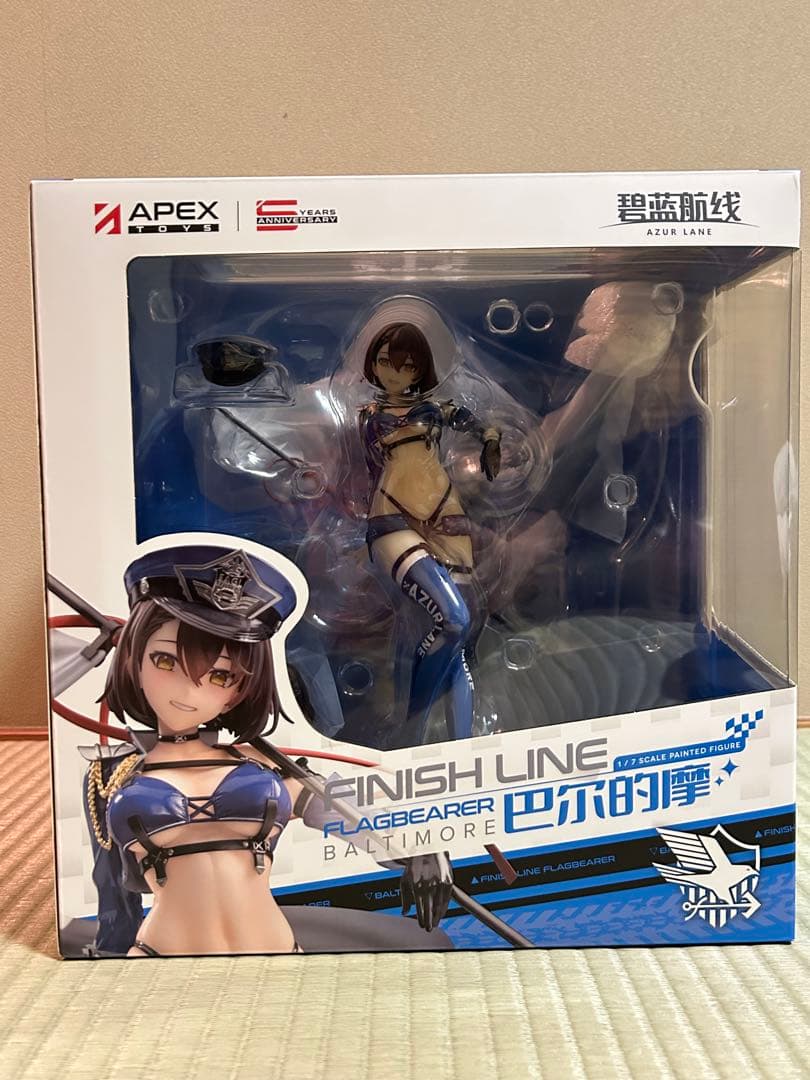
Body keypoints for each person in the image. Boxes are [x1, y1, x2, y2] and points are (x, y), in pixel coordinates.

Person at [83, 544, 453, 957]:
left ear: (242, 687)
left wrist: (417, 846)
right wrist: (109, 966)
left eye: (220, 676)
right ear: (132, 661)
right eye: (166, 662)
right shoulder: (111, 776)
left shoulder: (265, 765)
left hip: (277, 956)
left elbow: (355, 816)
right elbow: (113, 895)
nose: (189, 691)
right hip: (163, 963)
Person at [359, 322, 501, 747]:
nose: (394, 373)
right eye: (385, 362)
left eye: (406, 366)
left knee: (456, 645)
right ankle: (412, 729)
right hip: (392, 518)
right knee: (454, 621)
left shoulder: (438, 408)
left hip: (446, 516)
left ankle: (461, 747)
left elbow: (484, 427)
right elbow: (368, 468)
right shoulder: (369, 415)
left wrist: (491, 444)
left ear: (420, 369)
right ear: (373, 364)